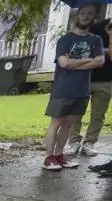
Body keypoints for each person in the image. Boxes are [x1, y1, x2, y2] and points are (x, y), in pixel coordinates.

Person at [43, 3, 106, 171]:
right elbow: (63, 63)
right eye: (83, 13)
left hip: (82, 89)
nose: (85, 16)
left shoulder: (95, 40)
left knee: (68, 125)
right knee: (56, 123)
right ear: (77, 15)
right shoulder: (65, 40)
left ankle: (58, 155)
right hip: (63, 88)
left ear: (95, 17)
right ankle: (49, 157)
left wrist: (74, 63)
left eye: (90, 13)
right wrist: (88, 61)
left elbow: (100, 61)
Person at [67, 14, 112, 156]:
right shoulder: (90, 26)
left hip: (106, 79)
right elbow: (78, 50)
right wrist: (101, 52)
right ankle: (73, 141)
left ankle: (90, 143)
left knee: (98, 115)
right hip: (83, 77)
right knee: (76, 112)